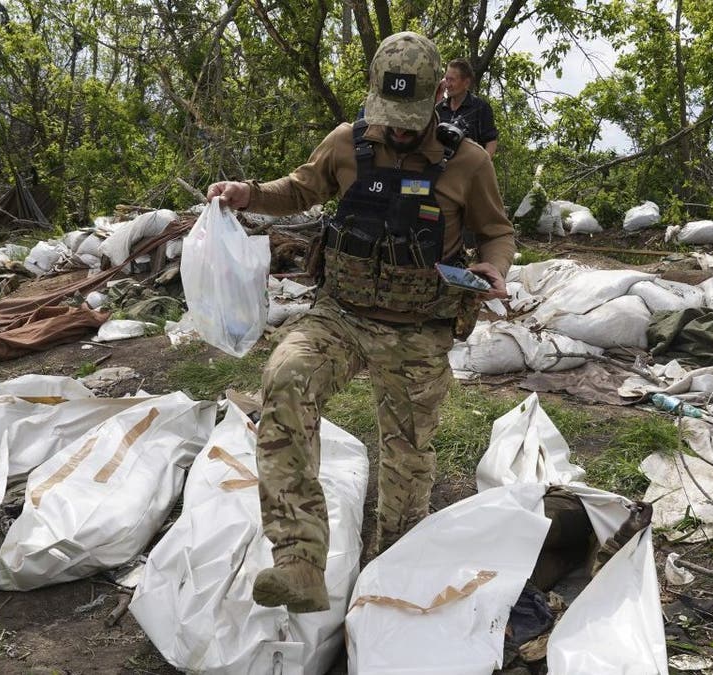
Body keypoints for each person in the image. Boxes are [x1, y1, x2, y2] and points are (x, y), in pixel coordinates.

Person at [206, 31, 515, 613]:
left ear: (434, 103)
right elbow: (298, 190)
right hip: (340, 316)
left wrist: (492, 267)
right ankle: (298, 559)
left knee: (408, 458)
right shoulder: (346, 144)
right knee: (285, 379)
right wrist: (249, 193)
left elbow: (497, 231)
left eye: (409, 120)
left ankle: (391, 573)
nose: (397, 131)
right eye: (388, 117)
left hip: (419, 327)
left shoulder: (467, 162)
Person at [436, 58, 498, 157]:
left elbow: (491, 141)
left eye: (452, 80)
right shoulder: (439, 108)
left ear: (466, 83)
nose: (447, 84)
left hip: (470, 169)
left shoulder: (481, 108)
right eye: (446, 79)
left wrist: (481, 165)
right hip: (441, 169)